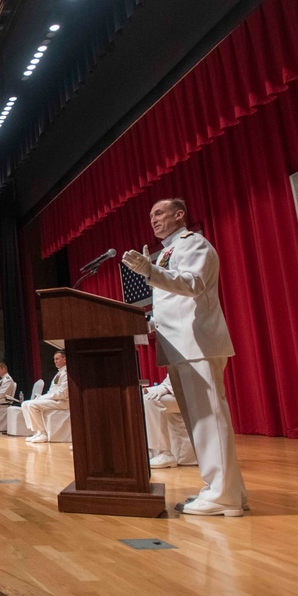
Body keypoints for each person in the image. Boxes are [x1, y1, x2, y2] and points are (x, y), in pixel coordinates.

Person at [122, 197, 246, 517]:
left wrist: (149, 270)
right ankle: (227, 490)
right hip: (180, 345)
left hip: (198, 343)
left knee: (209, 419)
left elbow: (192, 285)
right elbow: (171, 303)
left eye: (160, 212)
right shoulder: (166, 252)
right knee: (199, 422)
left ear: (180, 215)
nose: (153, 218)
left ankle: (223, 495)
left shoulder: (194, 244)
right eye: (151, 214)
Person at [143, 376, 196, 468]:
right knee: (143, 396)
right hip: (178, 393)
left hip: (195, 396)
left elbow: (194, 379)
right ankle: (151, 451)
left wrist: (167, 389)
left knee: (150, 400)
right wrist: (154, 389)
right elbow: (171, 379)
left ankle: (164, 452)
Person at [21, 351, 68, 443]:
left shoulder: (66, 373)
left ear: (65, 359)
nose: (55, 361)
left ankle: (43, 434)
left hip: (63, 401)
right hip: (55, 399)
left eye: (57, 359)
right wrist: (43, 397)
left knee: (32, 405)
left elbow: (63, 393)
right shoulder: (59, 373)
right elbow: (52, 391)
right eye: (54, 359)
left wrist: (45, 397)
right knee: (25, 404)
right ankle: (37, 431)